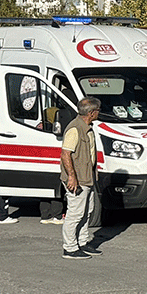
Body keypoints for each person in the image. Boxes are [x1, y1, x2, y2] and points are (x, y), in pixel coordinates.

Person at [60, 96, 102, 260]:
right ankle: (69, 248)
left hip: (87, 176)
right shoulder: (75, 129)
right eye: (98, 110)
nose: (99, 113)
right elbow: (65, 154)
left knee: (87, 211)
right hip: (78, 178)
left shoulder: (87, 127)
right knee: (75, 213)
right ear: (91, 113)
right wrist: (72, 177)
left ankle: (83, 242)